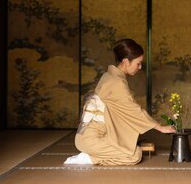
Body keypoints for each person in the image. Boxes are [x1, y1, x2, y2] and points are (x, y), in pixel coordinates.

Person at [64, 38, 176, 166]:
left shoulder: (110, 76)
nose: (140, 67)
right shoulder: (116, 82)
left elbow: (120, 112)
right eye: (138, 63)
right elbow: (133, 110)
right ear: (126, 61)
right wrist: (160, 128)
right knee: (134, 155)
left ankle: (94, 154)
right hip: (92, 139)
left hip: (92, 136)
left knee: (131, 148)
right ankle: (89, 158)